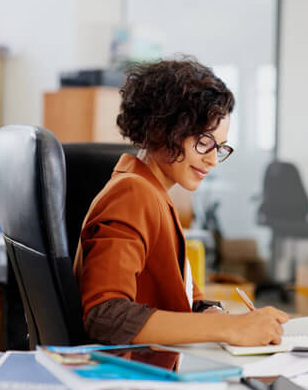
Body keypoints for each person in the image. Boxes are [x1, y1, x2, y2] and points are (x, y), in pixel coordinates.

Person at [73, 58, 289, 346]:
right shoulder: (133, 195)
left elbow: (185, 296)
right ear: (163, 129)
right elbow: (106, 318)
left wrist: (215, 315)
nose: (213, 159)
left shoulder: (155, 193)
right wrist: (230, 329)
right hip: (129, 379)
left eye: (220, 147)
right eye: (204, 142)